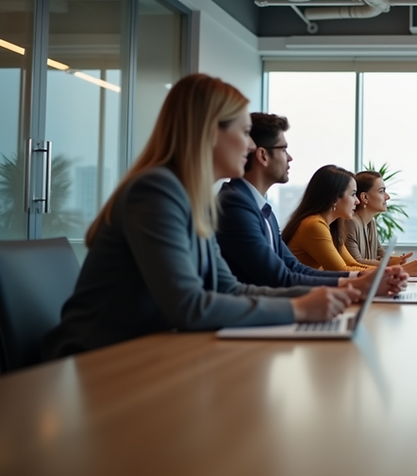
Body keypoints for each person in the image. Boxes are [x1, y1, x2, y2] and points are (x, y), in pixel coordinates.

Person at [42, 74, 354, 360]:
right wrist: (297, 308)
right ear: (209, 132)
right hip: (95, 360)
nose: (250, 146)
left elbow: (231, 289)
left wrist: (326, 293)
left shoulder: (195, 199)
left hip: (146, 352)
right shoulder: (155, 191)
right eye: (245, 133)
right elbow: (188, 306)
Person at [215, 113, 406, 293]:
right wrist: (355, 282)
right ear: (263, 155)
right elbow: (277, 278)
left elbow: (294, 268)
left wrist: (358, 278)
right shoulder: (236, 205)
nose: (290, 158)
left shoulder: (264, 209)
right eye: (283, 149)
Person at [284, 165, 375, 273]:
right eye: (353, 194)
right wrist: (388, 272)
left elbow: (351, 264)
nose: (357, 201)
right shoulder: (314, 225)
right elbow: (341, 270)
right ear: (334, 198)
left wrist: (390, 270)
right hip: (300, 289)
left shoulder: (331, 225)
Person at [345, 170, 417, 276]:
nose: (387, 197)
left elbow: (381, 254)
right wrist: (400, 268)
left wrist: (398, 260)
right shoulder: (350, 223)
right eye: (381, 191)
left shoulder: (371, 222)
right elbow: (357, 263)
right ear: (365, 197)